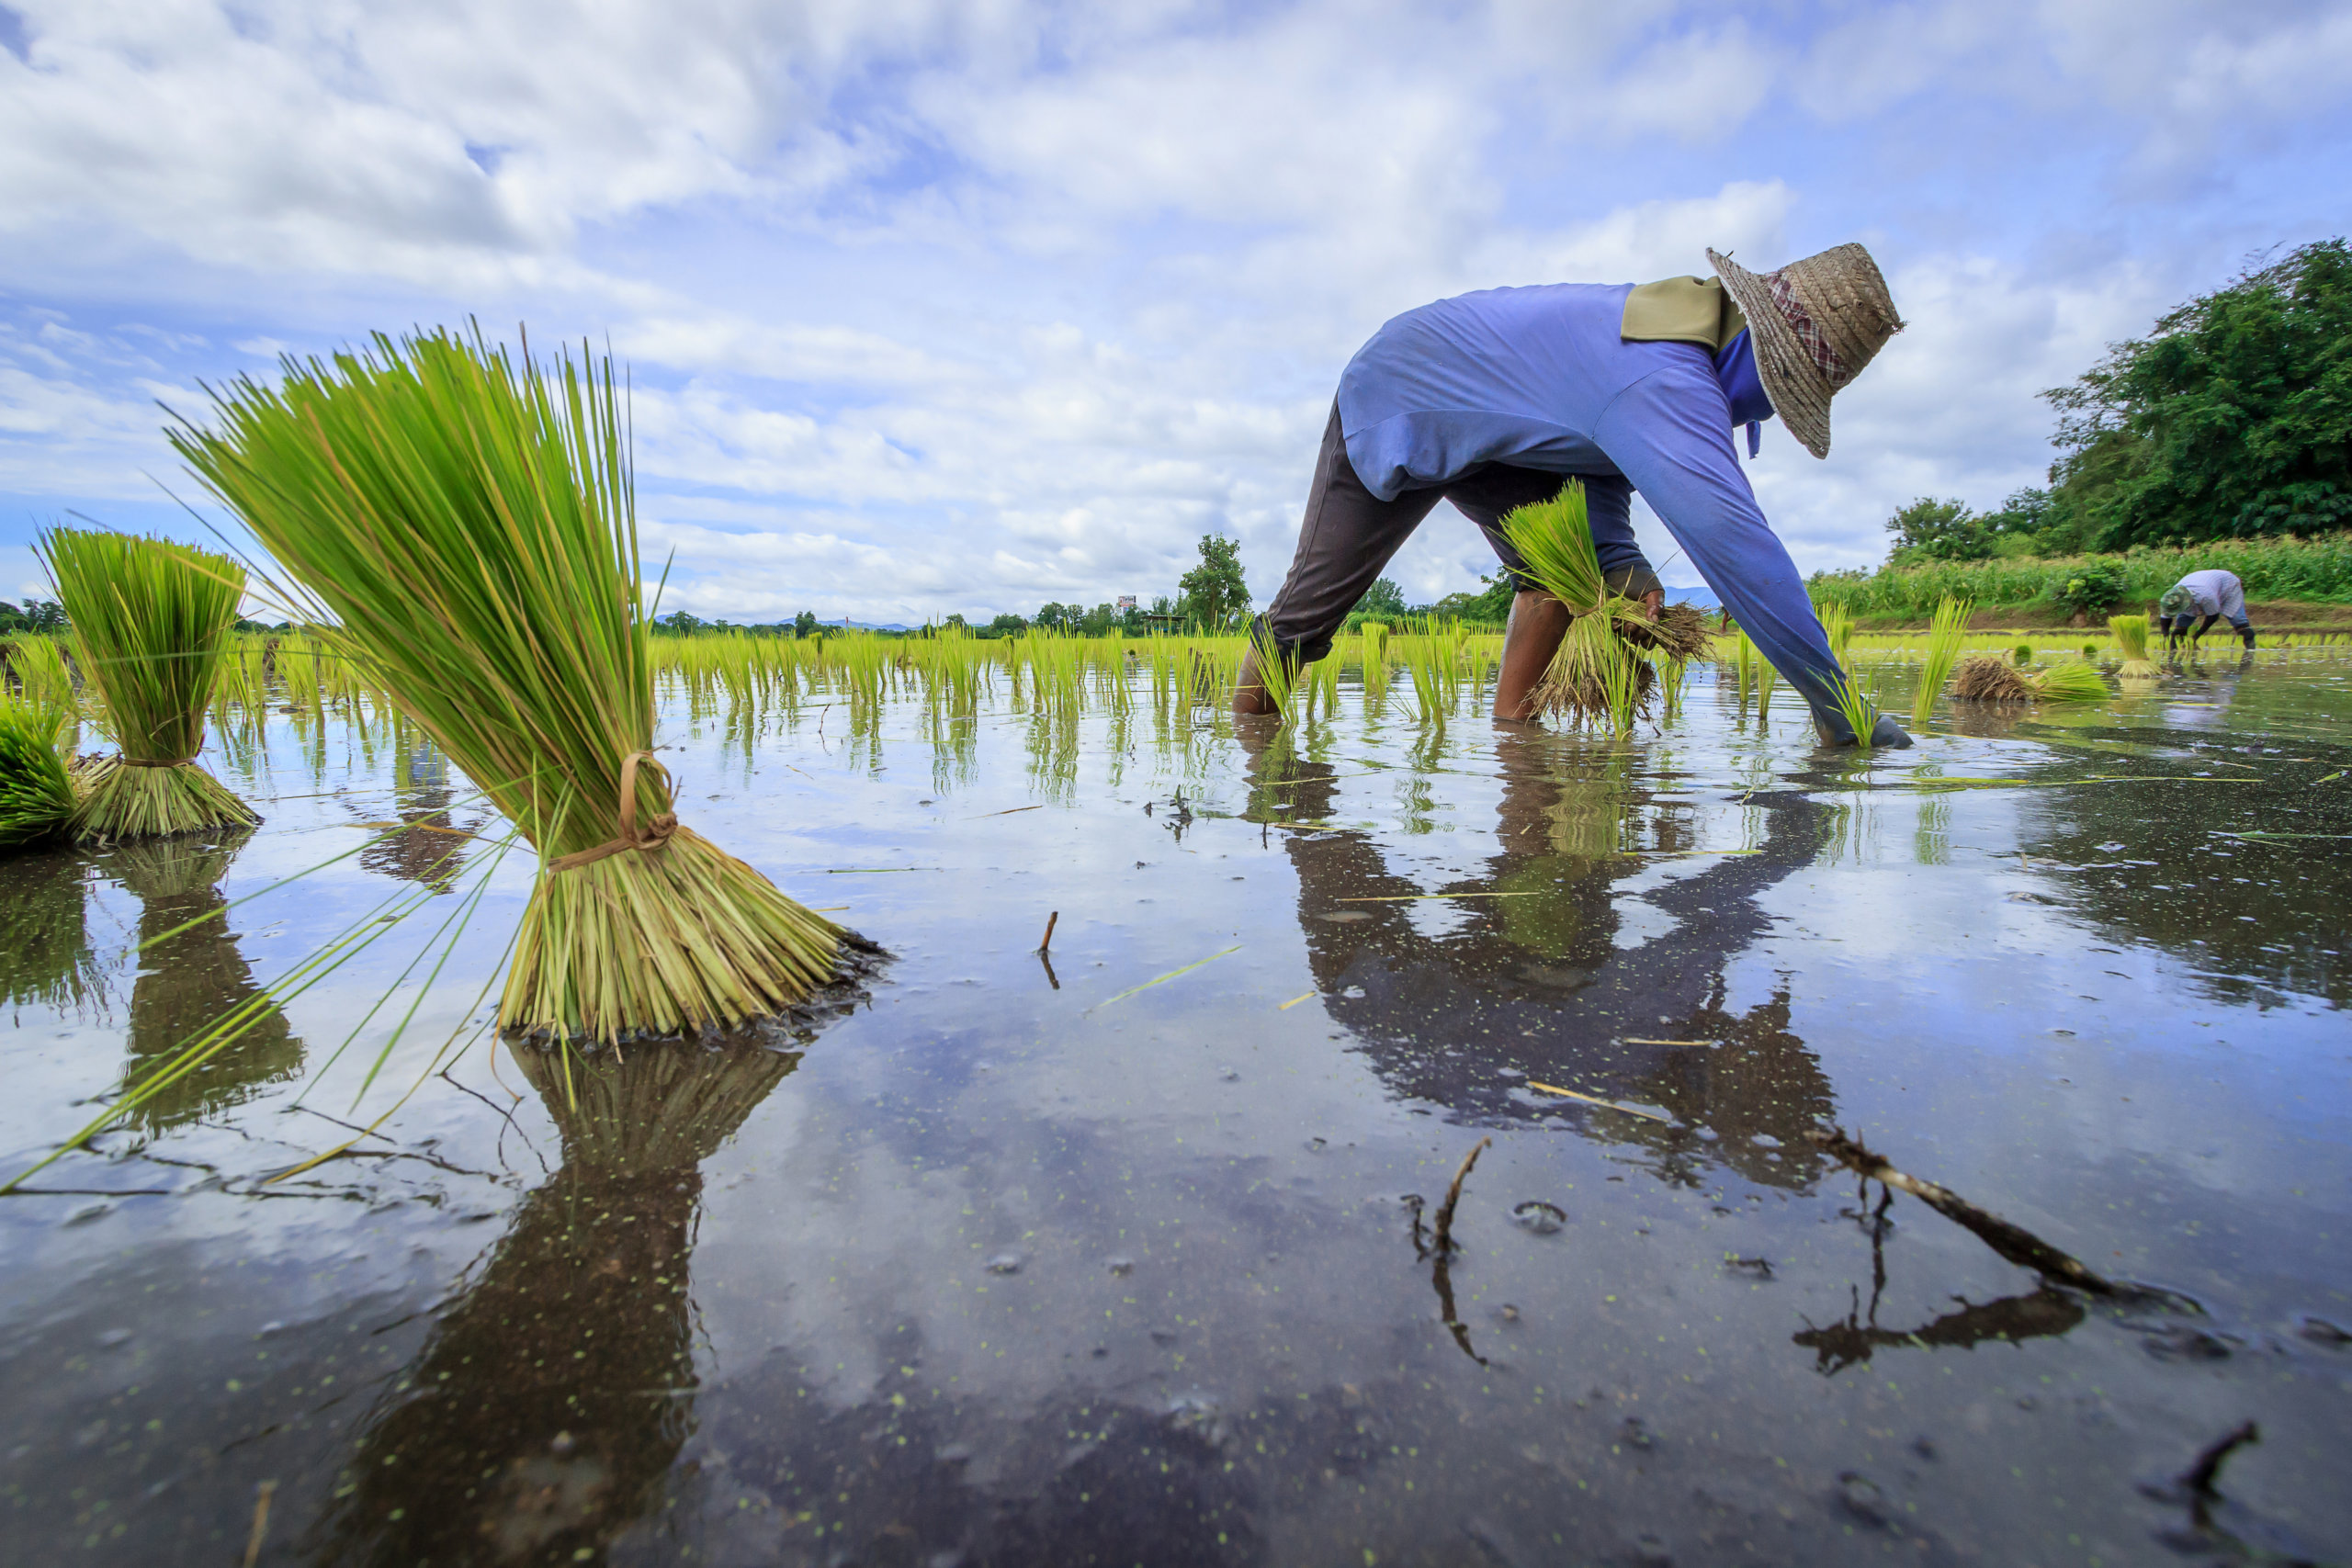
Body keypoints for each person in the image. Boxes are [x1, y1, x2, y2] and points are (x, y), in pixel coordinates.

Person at [1235, 243, 1913, 747]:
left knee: (1562, 579)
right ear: (1760, 366)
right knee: (1306, 617)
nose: (1752, 419)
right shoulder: (1667, 378)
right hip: (1401, 388)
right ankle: (1249, 761)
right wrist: (1840, 706)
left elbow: (1592, 461)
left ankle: (1515, 751)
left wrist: (1621, 561)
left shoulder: (1672, 340)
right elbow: (1735, 545)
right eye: (1772, 401)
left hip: (1501, 438)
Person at [2157, 570, 2256, 650]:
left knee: (2238, 621)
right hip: (2201, 582)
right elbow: (2165, 620)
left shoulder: (2206, 597)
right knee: (2179, 629)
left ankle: (2250, 652)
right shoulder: (2170, 599)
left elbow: (2213, 617)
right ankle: (2175, 656)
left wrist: (2196, 635)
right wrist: (2165, 637)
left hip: (2227, 585)